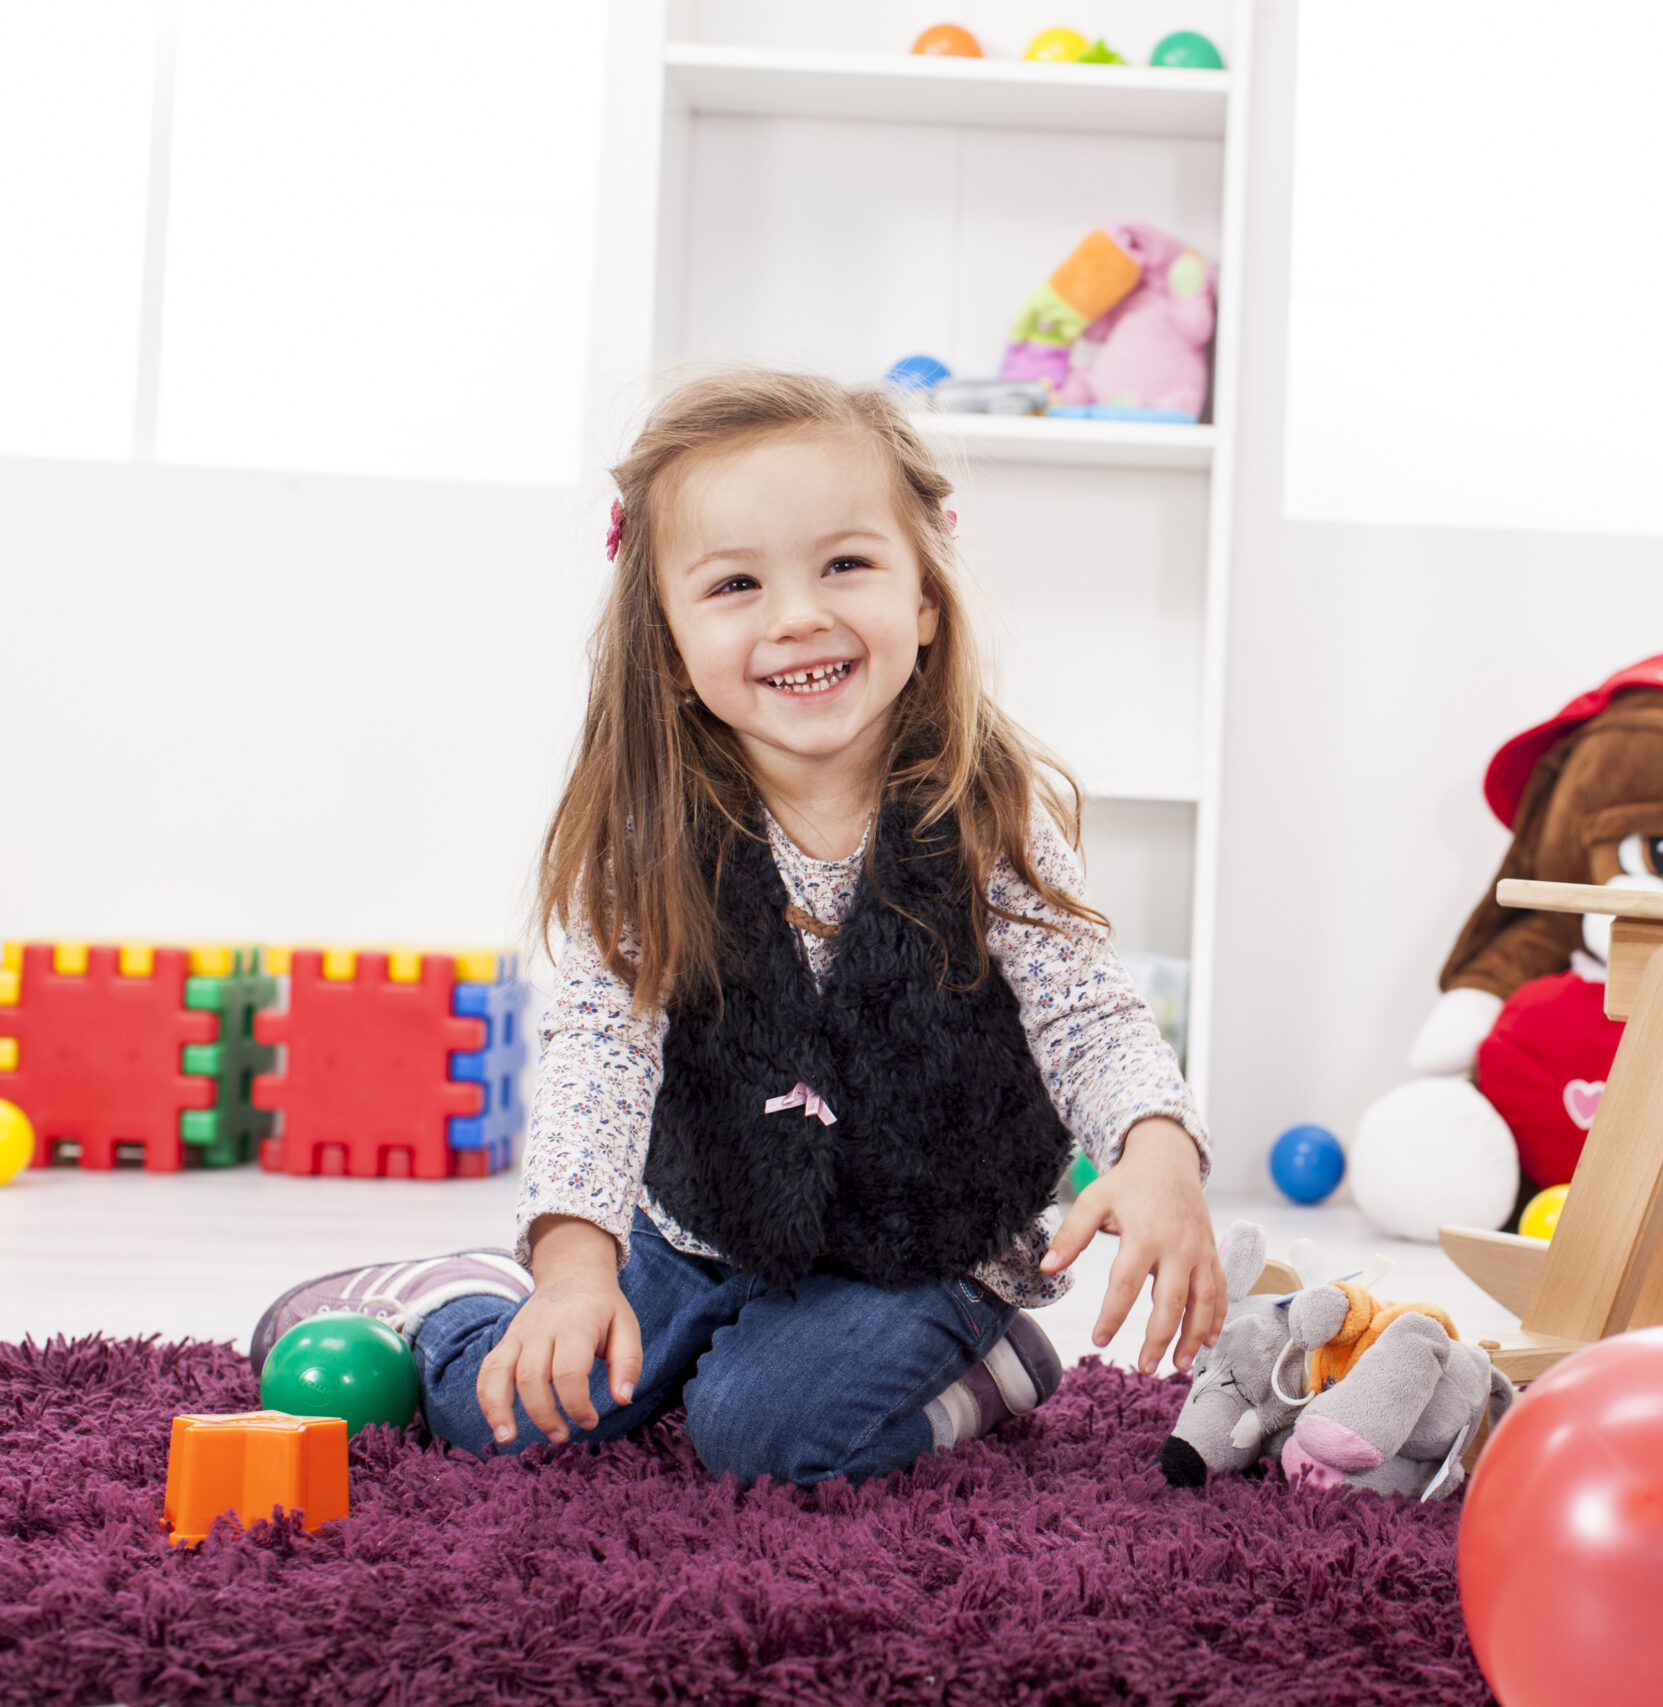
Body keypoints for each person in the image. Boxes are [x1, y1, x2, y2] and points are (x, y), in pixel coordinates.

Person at [247, 369, 1223, 1486]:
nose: (798, 615)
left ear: (924, 600)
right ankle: (445, 1298)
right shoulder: (651, 837)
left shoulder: (991, 810)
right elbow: (600, 1060)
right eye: (735, 585)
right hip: (700, 1228)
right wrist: (575, 1266)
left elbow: (1084, 1009)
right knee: (502, 1418)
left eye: (846, 565)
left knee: (765, 1439)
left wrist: (1156, 1147)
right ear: (666, 642)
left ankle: (991, 1362)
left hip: (922, 1245)